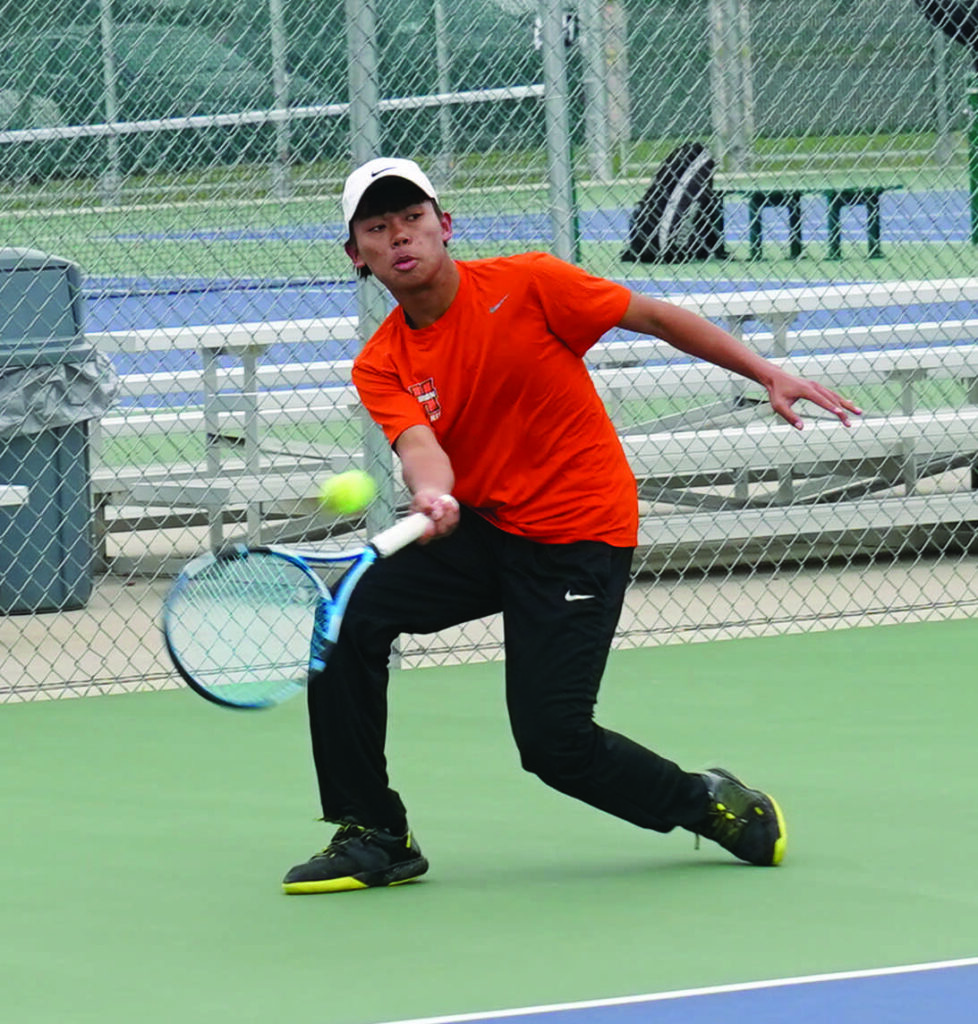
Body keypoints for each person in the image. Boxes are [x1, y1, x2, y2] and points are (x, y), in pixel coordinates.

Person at [282, 157, 861, 894]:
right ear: (356, 255)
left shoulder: (530, 283)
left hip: (577, 530)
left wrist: (765, 372)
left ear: (445, 225)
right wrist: (432, 495)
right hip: (489, 526)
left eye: (412, 218)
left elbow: (654, 316)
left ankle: (707, 801)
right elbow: (421, 448)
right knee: (347, 616)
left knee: (555, 745)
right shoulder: (382, 362)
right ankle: (373, 832)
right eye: (377, 227)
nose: (399, 236)